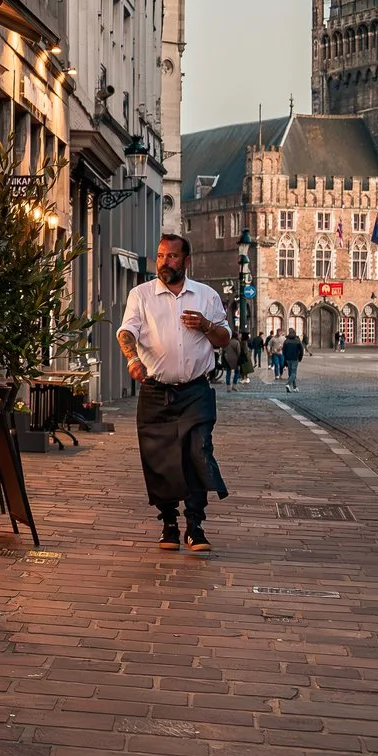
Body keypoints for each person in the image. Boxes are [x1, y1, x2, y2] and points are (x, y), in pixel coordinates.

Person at [117, 232, 232, 552]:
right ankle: (169, 523)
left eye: (172, 257)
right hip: (155, 392)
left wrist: (206, 326)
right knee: (161, 459)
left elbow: (224, 338)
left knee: (197, 452)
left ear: (187, 260)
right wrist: (132, 360)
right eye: (160, 256)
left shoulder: (206, 296)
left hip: (196, 391)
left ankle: (195, 525)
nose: (164, 263)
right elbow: (126, 331)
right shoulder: (141, 295)